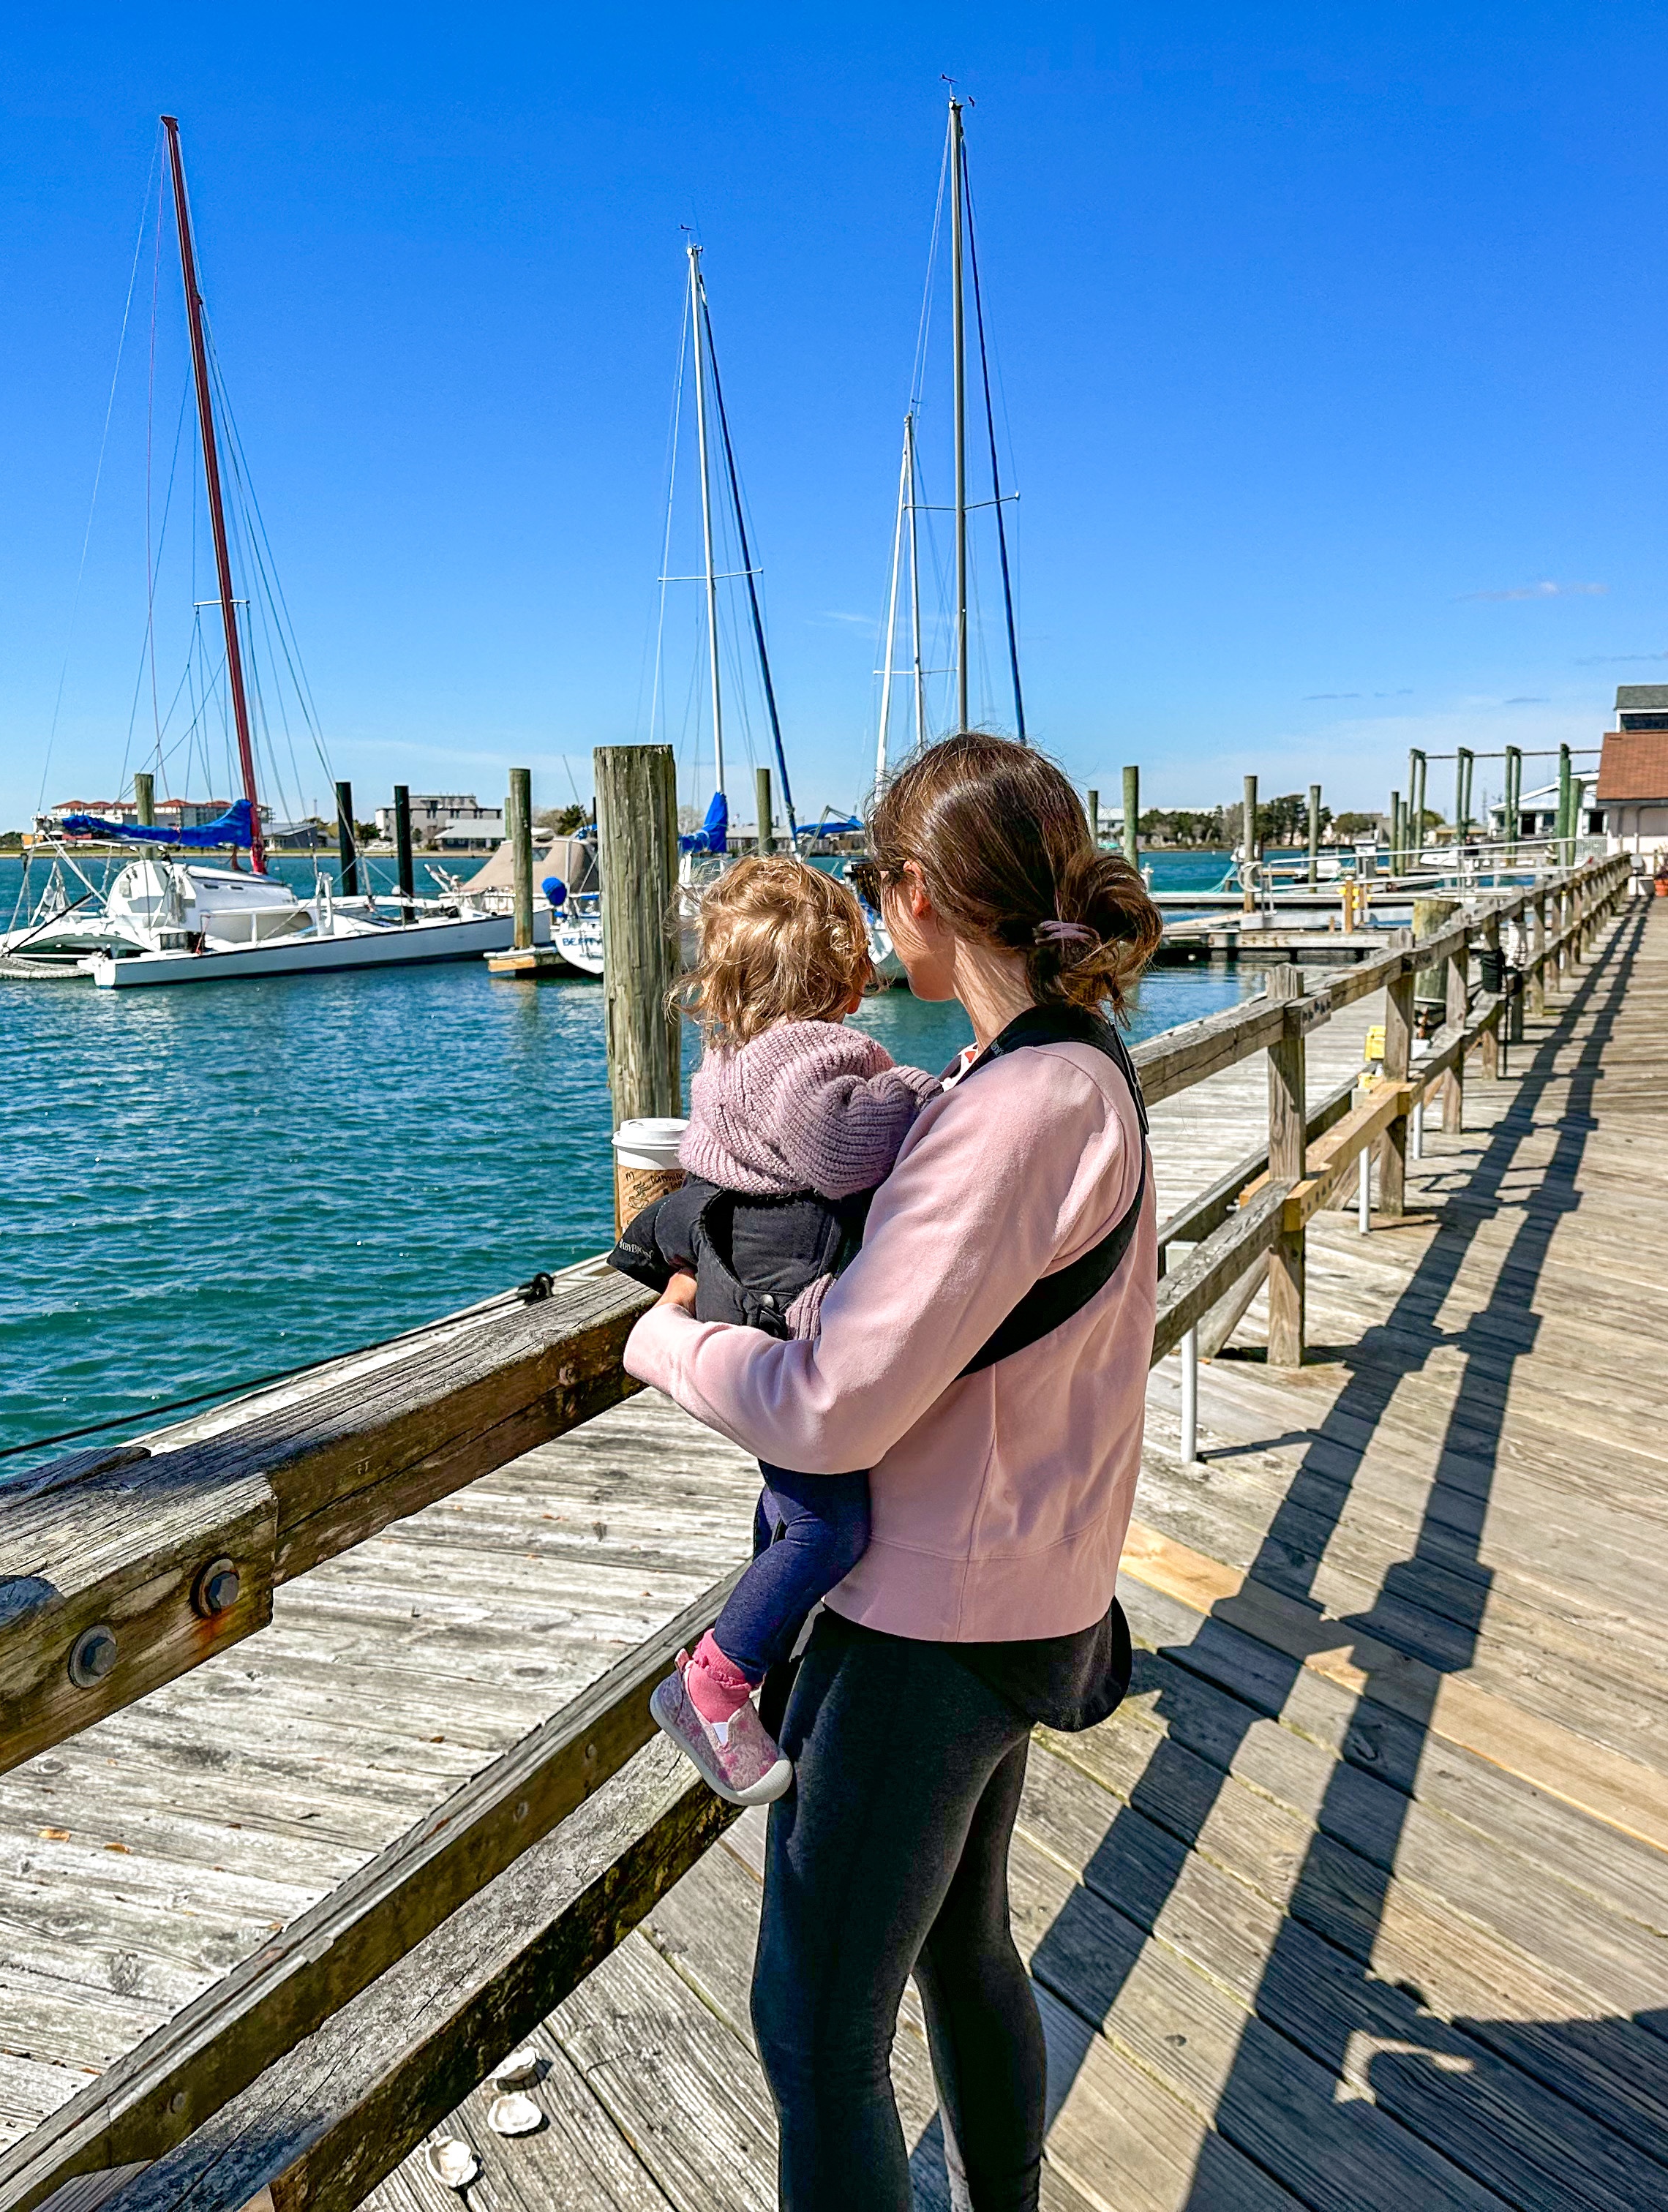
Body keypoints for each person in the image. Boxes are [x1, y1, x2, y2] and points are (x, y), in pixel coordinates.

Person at [625, 732, 1168, 2212]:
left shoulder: (1008, 1112)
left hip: (932, 1630)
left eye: (878, 881)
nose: (876, 906)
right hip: (1030, 1593)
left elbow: (830, 1406)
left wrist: (663, 1347)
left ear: (921, 893)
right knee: (962, 1950)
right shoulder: (1066, 1069)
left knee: (814, 2033)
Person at [609, 856, 936, 1804]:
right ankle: (716, 1680)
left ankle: (769, 1641)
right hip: (785, 1318)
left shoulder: (734, 1061)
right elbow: (839, 1154)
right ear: (841, 976)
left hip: (734, 1298)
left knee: (789, 1509)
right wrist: (918, 1092)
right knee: (833, 1527)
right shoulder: (812, 1056)